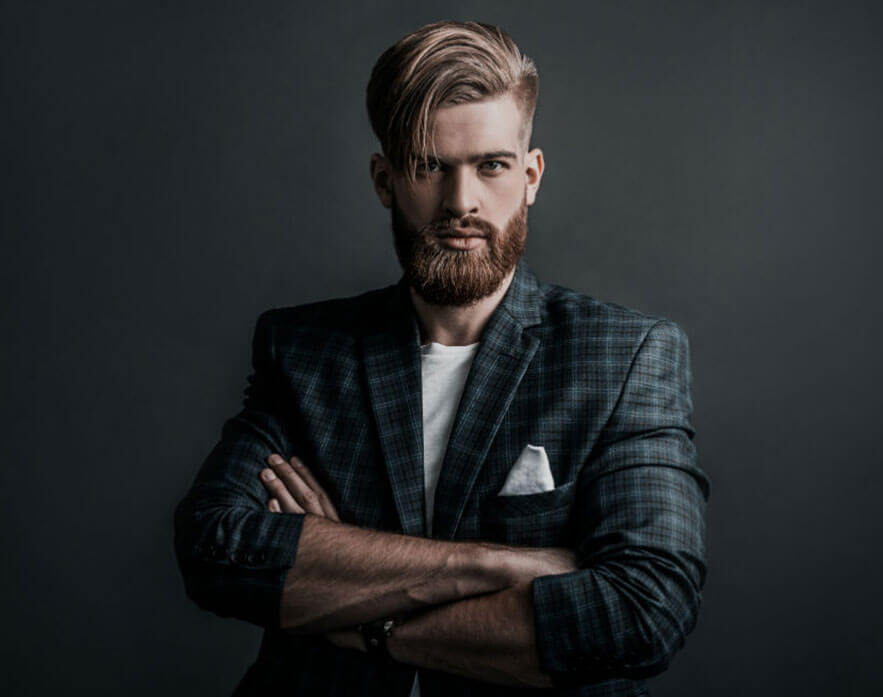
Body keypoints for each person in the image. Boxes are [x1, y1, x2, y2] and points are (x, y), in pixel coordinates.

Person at [173, 20, 709, 697]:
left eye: (491, 166)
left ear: (531, 176)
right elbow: (214, 547)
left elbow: (644, 609)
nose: (461, 202)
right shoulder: (302, 350)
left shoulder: (624, 356)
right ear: (385, 179)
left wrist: (367, 615)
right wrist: (490, 564)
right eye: (430, 167)